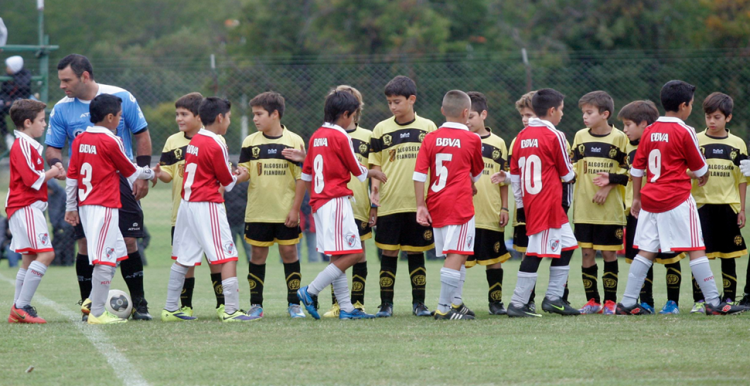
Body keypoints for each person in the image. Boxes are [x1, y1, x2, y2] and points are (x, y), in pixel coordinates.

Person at [616, 80, 745, 316]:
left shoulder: (650, 130)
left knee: (645, 250)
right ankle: (713, 303)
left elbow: (636, 169)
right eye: (692, 104)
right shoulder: (684, 130)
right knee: (696, 248)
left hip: (649, 199)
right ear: (684, 105)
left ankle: (626, 303)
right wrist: (702, 174)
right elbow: (700, 167)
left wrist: (636, 198)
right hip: (676, 199)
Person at [46, 54, 154, 321]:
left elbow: (141, 134)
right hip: (89, 186)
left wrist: (140, 175)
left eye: (66, 80)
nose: (62, 85)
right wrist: (57, 165)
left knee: (128, 241)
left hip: (121, 180)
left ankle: (139, 304)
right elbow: (53, 147)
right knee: (85, 245)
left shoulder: (121, 97)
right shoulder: (61, 108)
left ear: (84, 76)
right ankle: (89, 307)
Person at [160, 97, 256, 323]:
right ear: (220, 117)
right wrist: (238, 174)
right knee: (228, 256)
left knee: (184, 258)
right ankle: (231, 310)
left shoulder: (196, 139)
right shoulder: (216, 141)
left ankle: (170, 308)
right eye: (229, 118)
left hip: (187, 203)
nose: (229, 122)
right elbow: (228, 182)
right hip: (206, 204)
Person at [64, 94, 158, 324]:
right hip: (103, 205)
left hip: (87, 205)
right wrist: (153, 173)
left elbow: (72, 176)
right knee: (105, 260)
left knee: (117, 250)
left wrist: (71, 206)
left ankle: (92, 303)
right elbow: (131, 171)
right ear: (109, 117)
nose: (120, 120)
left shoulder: (80, 139)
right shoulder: (110, 140)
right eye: (119, 116)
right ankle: (97, 312)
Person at [296, 90, 387, 320]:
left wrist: (313, 201)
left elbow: (306, 174)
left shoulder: (316, 135)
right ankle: (311, 290)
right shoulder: (340, 136)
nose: (354, 120)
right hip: (335, 200)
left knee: (338, 254)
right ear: (346, 114)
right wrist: (374, 171)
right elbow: (357, 170)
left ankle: (345, 308)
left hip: (320, 202)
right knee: (354, 253)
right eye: (354, 115)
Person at [500, 88, 580, 318]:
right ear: (552, 110)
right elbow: (566, 174)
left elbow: (514, 176)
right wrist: (571, 175)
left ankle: (554, 299)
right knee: (535, 253)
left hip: (533, 201)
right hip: (547, 202)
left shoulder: (521, 137)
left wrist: (521, 205)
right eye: (562, 110)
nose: (562, 114)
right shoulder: (555, 135)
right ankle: (517, 303)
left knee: (568, 245)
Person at [369, 75, 438, 317]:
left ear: (412, 99)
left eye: (397, 101)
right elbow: (374, 167)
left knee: (416, 252)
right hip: (390, 203)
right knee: (389, 252)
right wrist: (374, 197)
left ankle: (419, 304)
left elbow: (436, 166)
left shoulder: (429, 127)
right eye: (389, 102)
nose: (393, 107)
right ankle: (385, 304)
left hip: (418, 204)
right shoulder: (381, 129)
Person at [413, 90, 484, 320]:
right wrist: (469, 181)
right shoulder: (473, 139)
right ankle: (443, 308)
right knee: (457, 253)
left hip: (436, 203)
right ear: (466, 112)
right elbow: (477, 172)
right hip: (460, 204)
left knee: (456, 255)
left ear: (443, 111)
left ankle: (456, 303)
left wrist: (420, 205)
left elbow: (419, 175)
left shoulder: (430, 138)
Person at [236, 91, 307, 319]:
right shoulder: (250, 142)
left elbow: (301, 178)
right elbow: (245, 173)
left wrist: (295, 209)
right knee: (257, 255)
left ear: (274, 114)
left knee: (289, 252)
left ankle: (294, 304)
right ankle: (256, 305)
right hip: (258, 211)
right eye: (253, 114)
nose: (255, 119)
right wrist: (236, 174)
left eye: (259, 114)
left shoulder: (294, 141)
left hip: (286, 211)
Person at [157, 92, 226, 318]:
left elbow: (221, 176)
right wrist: (159, 174)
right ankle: (185, 306)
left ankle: (222, 304)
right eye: (177, 114)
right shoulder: (172, 141)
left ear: (199, 116)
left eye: (184, 114)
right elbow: (167, 175)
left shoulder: (215, 139)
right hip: (182, 210)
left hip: (206, 209)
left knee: (215, 259)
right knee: (186, 261)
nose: (179, 119)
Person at [614, 100, 685, 314]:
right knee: (643, 257)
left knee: (671, 256)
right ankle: (646, 301)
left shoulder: (661, 142)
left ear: (644, 124)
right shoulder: (627, 146)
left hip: (663, 207)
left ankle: (672, 302)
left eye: (628, 125)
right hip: (637, 210)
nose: (625, 130)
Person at [6, 99, 65, 324]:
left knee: (29, 257)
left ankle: (17, 310)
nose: (45, 125)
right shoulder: (23, 145)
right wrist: (52, 172)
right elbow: (32, 180)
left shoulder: (28, 144)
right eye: (41, 120)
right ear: (28, 122)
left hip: (24, 207)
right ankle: (21, 306)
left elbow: (34, 176)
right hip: (26, 206)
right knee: (46, 253)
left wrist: (54, 173)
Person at [689, 92, 748, 311]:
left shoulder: (737, 144)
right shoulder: (695, 139)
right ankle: (699, 300)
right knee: (699, 255)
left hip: (728, 207)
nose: (711, 122)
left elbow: (742, 178)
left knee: (728, 255)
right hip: (700, 206)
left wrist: (741, 208)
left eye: (716, 117)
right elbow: (686, 170)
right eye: (708, 117)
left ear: (728, 118)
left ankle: (729, 299)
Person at [572, 91, 629, 315]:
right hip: (584, 208)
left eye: (589, 112)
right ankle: (592, 301)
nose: (584, 117)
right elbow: (574, 168)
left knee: (609, 254)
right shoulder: (579, 137)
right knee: (587, 253)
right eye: (583, 112)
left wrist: (608, 186)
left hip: (610, 211)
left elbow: (630, 172)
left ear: (605, 114)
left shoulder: (619, 138)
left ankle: (610, 302)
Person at [465, 91, 511, 316]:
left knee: (495, 260)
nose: (468, 121)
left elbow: (504, 180)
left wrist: (504, 207)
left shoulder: (498, 142)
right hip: (464, 213)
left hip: (490, 211)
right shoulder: (460, 139)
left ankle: (496, 303)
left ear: (484, 114)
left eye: (471, 116)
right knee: (460, 259)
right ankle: (455, 302)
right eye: (465, 116)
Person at [1, 56, 32, 149]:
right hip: (8, 102)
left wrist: (14, 78)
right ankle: (7, 136)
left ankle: (23, 139)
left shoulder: (25, 74)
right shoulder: (6, 77)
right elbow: (4, 92)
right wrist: (6, 101)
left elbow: (23, 87)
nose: (7, 69)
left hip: (22, 101)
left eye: (9, 66)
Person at [47, 180, 76, 266]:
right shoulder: (50, 197)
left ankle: (68, 262)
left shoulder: (63, 194)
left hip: (66, 226)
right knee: (56, 244)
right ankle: (56, 262)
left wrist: (63, 224)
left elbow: (65, 210)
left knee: (68, 245)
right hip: (56, 226)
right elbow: (51, 212)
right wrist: (55, 224)